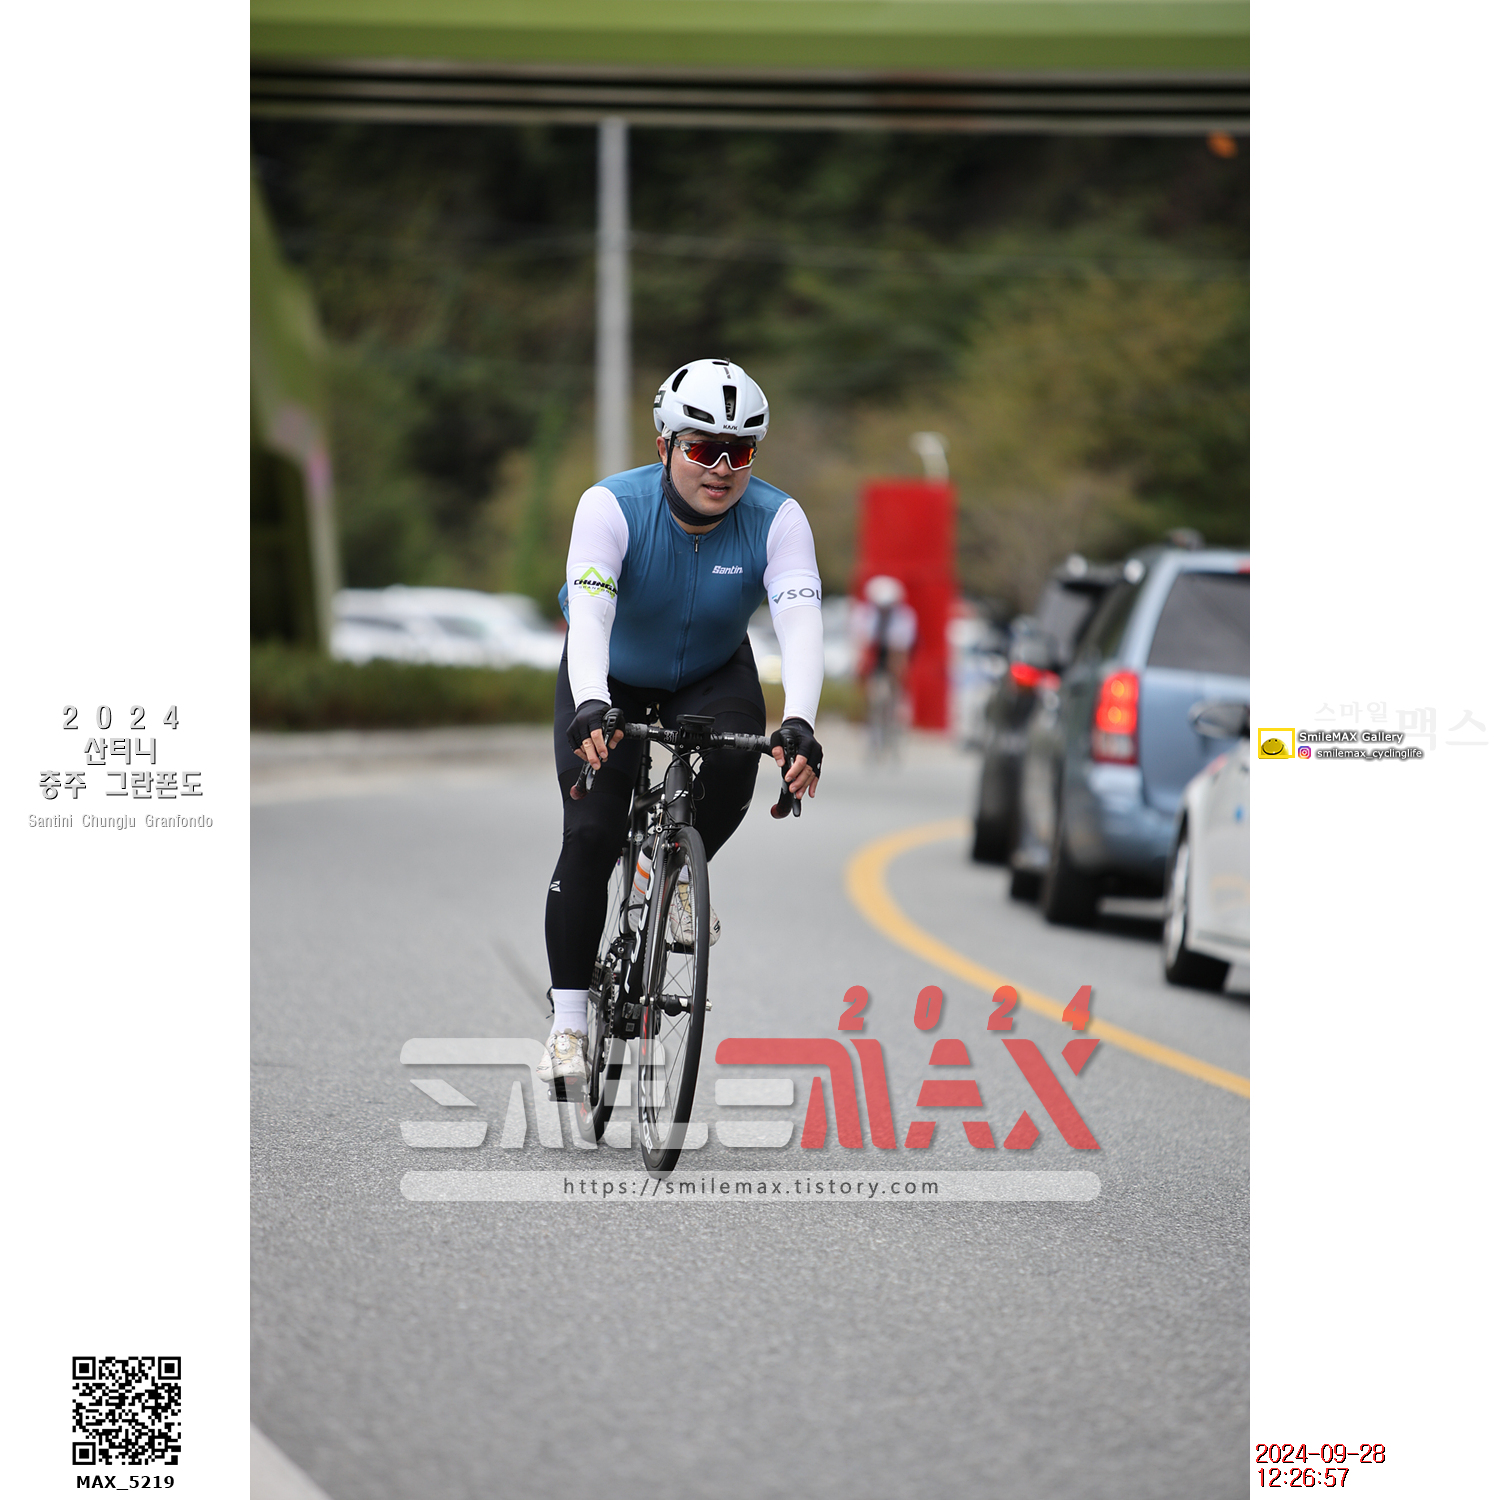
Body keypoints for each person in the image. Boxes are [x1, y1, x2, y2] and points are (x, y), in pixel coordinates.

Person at [538, 359, 825, 1083]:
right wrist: (591, 701)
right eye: (702, 448)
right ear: (664, 444)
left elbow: (799, 624)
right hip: (608, 674)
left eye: (741, 451)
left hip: (710, 671)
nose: (722, 469)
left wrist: (801, 722)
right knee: (592, 833)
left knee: (736, 757)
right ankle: (568, 1025)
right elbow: (590, 614)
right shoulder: (610, 506)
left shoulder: (779, 519)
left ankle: (677, 878)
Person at [852, 575, 917, 760]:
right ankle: (872, 741)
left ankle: (893, 740)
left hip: (893, 661)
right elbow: (861, 643)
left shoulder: (903, 617)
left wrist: (898, 675)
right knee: (873, 702)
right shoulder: (864, 615)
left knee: (894, 704)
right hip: (873, 663)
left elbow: (901, 649)